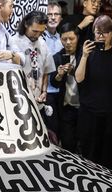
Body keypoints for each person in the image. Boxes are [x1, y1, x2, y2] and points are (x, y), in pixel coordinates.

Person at [75, 15, 112, 168]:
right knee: (88, 152)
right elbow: (78, 79)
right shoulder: (86, 52)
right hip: (89, 112)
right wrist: (85, 56)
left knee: (108, 152)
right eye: (98, 32)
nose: (101, 35)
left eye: (105, 32)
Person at [10, 12, 55, 107]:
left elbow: (46, 71)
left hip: (38, 102)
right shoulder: (13, 42)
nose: (37, 35)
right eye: (34, 31)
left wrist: (44, 91)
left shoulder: (43, 44)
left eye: (41, 32)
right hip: (18, 101)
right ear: (26, 24)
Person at [49, 22, 82, 150]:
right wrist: (59, 74)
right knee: (68, 143)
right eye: (64, 39)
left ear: (77, 38)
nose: (68, 42)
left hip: (84, 106)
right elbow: (54, 82)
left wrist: (74, 72)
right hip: (66, 106)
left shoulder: (84, 55)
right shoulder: (57, 57)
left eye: (71, 39)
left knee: (83, 142)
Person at [44, 1, 66, 135]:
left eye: (56, 14)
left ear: (61, 18)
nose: (52, 17)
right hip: (46, 91)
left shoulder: (63, 39)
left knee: (60, 129)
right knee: (50, 129)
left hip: (62, 92)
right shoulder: (39, 38)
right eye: (49, 14)